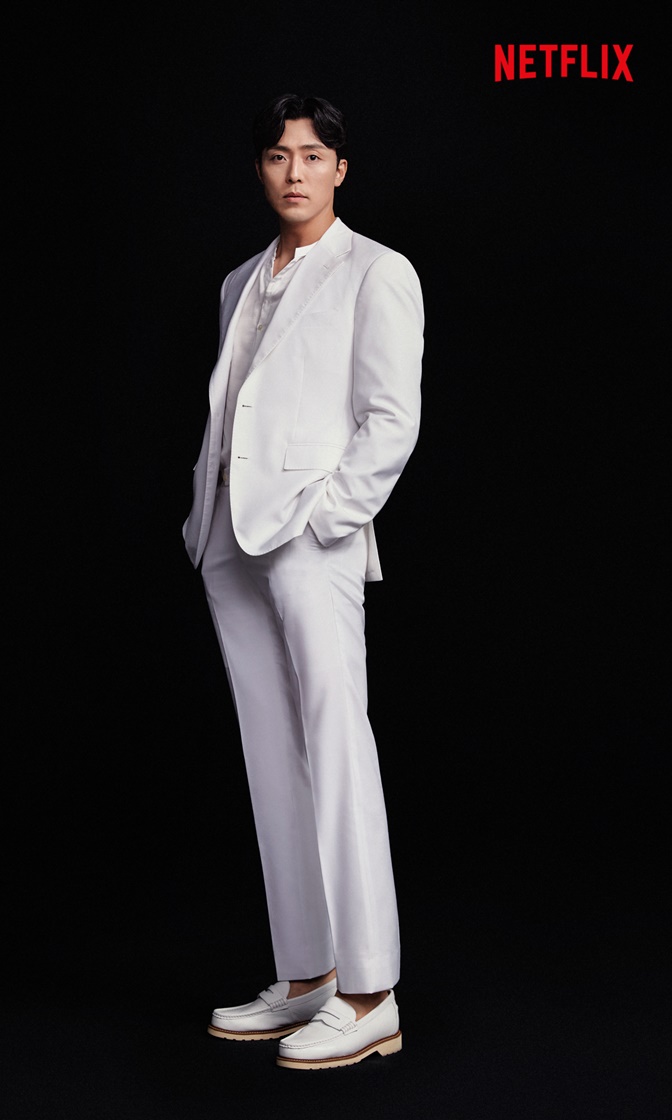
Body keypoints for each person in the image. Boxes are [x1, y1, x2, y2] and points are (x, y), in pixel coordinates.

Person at [182, 92, 424, 1070]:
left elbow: (390, 417)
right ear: (260, 169)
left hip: (309, 535)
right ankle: (306, 974)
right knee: (271, 752)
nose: (295, 171)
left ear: (339, 169)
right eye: (279, 155)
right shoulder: (239, 279)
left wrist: (327, 518)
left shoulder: (376, 271)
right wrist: (204, 517)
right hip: (227, 538)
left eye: (313, 154)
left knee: (336, 743)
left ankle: (370, 992)